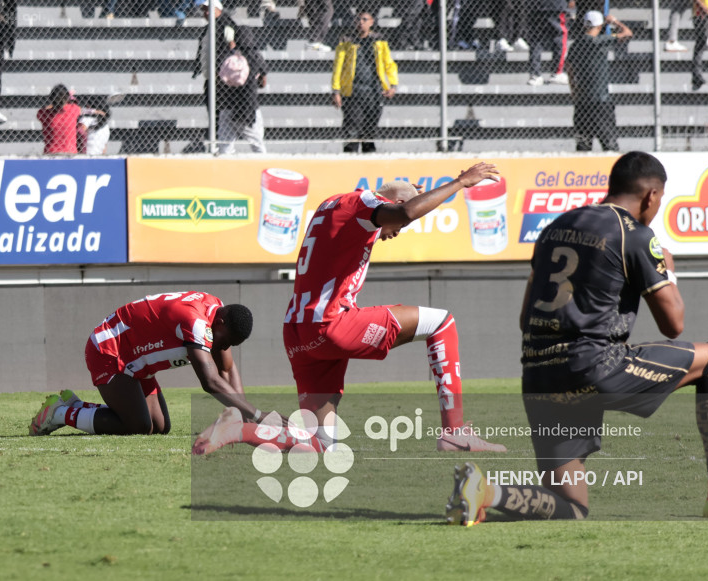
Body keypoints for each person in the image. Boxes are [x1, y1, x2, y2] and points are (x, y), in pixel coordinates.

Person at [445, 151, 708, 525]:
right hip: (593, 367)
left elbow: (527, 319)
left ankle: (486, 491)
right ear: (651, 195)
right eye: (660, 200)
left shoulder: (555, 227)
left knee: (572, 508)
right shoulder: (635, 235)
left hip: (539, 374)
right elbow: (673, 324)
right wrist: (668, 269)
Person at [195, 163, 509, 456]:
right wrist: (460, 182)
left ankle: (237, 430)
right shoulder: (360, 204)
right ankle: (454, 431)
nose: (396, 230)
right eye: (398, 225)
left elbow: (396, 208)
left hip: (298, 332)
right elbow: (406, 210)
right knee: (441, 322)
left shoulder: (332, 205)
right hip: (330, 324)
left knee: (321, 443)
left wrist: (403, 197)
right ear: (389, 201)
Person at [28, 291, 263, 438]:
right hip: (110, 351)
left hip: (136, 359)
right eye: (226, 342)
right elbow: (210, 381)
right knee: (138, 426)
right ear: (220, 323)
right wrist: (257, 414)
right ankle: (60, 413)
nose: (223, 348)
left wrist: (242, 418)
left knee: (160, 428)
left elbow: (227, 369)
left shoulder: (217, 313)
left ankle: (78, 406)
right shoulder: (197, 323)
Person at [192, 0, 269, 154]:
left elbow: (239, 53)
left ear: (218, 9)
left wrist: (232, 49)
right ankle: (223, 151)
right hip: (217, 84)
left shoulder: (226, 26)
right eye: (204, 10)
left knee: (247, 132)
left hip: (226, 87)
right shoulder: (211, 27)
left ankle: (229, 150)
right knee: (223, 125)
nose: (206, 13)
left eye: (209, 9)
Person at [332, 10, 398, 153]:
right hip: (353, 91)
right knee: (352, 127)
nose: (361, 22)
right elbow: (338, 67)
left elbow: (389, 63)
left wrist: (393, 85)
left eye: (364, 19)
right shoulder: (346, 41)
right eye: (358, 20)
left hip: (374, 91)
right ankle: (350, 158)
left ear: (371, 22)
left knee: (370, 128)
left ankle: (369, 157)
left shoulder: (379, 42)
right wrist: (336, 91)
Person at [565, 11, 632, 152]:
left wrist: (574, 91)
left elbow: (569, 69)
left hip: (582, 102)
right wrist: (614, 22)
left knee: (583, 146)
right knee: (610, 145)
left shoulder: (575, 45)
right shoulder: (602, 42)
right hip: (601, 101)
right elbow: (627, 33)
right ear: (600, 25)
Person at [527, 0, 570, 86]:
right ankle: (557, 72)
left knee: (536, 38)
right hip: (555, 6)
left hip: (536, 5)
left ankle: (536, 75)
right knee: (559, 35)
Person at [37, 84, 84, 154]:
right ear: (66, 98)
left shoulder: (44, 113)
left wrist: (53, 105)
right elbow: (79, 109)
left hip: (51, 151)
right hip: (70, 151)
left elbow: (41, 112)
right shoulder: (74, 109)